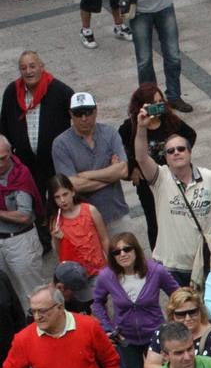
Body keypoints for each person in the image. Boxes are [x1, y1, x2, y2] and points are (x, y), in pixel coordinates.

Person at [131, 110, 211, 287]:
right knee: (182, 312)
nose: (176, 152)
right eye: (170, 151)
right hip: (171, 266)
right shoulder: (160, 178)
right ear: (166, 158)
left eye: (181, 148)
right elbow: (141, 157)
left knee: (206, 310)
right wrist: (141, 127)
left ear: (189, 153)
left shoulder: (210, 178)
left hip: (202, 261)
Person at [90, 232, 178, 368]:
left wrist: (172, 323)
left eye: (127, 249)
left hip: (155, 337)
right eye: (116, 251)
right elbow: (97, 303)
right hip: (126, 339)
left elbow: (177, 293)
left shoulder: (155, 271)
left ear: (135, 250)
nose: (122, 254)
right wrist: (108, 328)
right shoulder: (107, 276)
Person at [1, 53, 74, 235]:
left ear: (42, 66)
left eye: (32, 66)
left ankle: (63, 231)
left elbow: (78, 120)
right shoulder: (12, 91)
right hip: (25, 161)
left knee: (59, 197)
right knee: (33, 199)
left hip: (53, 159)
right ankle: (42, 237)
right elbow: (4, 125)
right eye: (24, 68)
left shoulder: (60, 90)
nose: (28, 71)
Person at [51, 92, 132, 232]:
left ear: (96, 111)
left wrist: (86, 175)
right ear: (70, 114)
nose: (84, 118)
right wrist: (111, 175)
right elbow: (72, 186)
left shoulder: (110, 133)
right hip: (83, 221)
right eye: (78, 114)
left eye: (88, 113)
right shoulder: (61, 144)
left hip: (116, 213)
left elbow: (124, 170)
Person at [0, 136, 46, 300]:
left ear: (10, 153)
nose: (0, 164)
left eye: (3, 159)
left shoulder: (20, 174)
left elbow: (24, 215)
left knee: (34, 294)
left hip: (21, 240)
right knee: (7, 297)